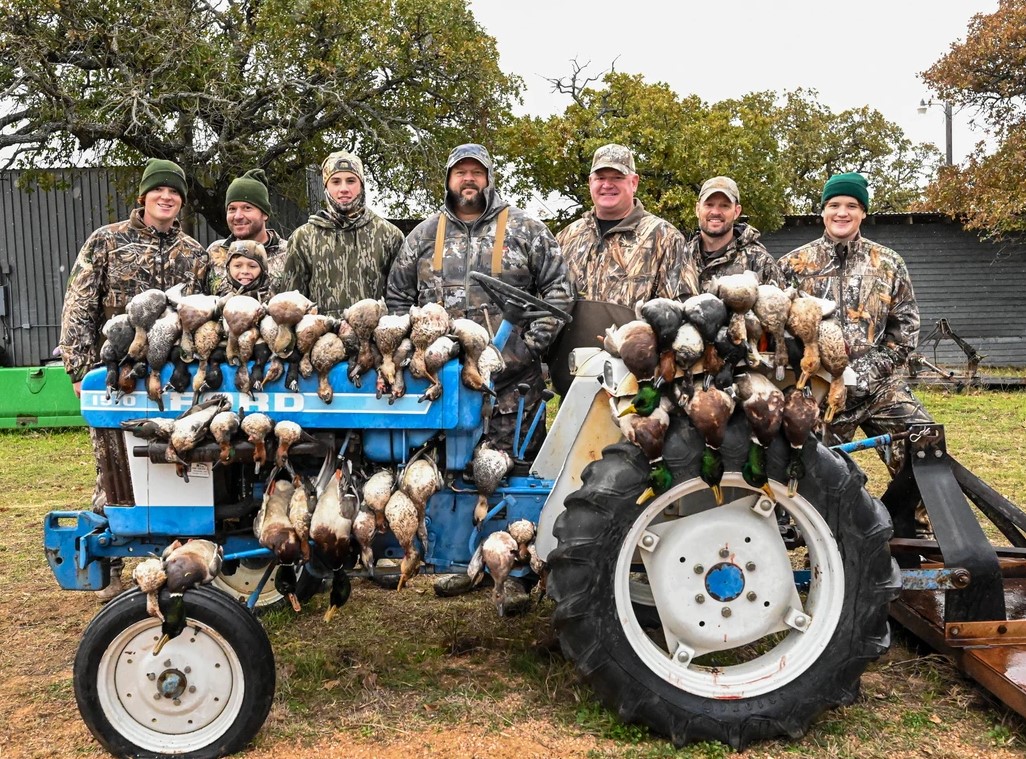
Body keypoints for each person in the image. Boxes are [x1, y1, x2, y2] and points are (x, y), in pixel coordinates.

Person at [385, 142, 573, 606]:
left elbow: (560, 293)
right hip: (443, 389)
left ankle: (515, 581)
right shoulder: (424, 235)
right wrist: (417, 358)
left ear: (489, 178)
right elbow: (395, 299)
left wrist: (525, 349)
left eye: (476, 173)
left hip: (512, 388)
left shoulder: (527, 230)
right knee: (451, 478)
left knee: (513, 483)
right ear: (448, 179)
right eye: (459, 173)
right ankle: (466, 565)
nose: (468, 180)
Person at [59, 157, 208, 601]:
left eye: (175, 192)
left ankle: (173, 556)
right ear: (143, 196)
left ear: (181, 201)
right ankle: (111, 564)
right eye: (159, 190)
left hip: (174, 378)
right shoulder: (106, 241)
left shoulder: (194, 254)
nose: (167, 197)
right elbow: (79, 307)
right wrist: (80, 371)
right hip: (114, 375)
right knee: (114, 467)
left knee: (172, 460)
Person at [778, 172, 933, 531]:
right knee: (810, 467)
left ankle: (917, 529)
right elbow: (779, 332)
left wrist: (864, 374)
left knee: (923, 439)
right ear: (822, 212)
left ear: (863, 212)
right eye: (834, 205)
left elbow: (905, 331)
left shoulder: (888, 264)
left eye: (851, 205)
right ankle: (822, 543)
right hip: (820, 389)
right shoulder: (793, 266)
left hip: (878, 386)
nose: (842, 212)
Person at [556, 143, 699, 305]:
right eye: (600, 178)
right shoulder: (566, 237)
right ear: (590, 183)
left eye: (617, 177)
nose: (607, 185)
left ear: (634, 182)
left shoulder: (666, 238)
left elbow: (681, 310)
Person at [279, 151, 403, 318]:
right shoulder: (303, 238)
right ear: (326, 186)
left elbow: (400, 301)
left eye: (351, 181)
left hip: (375, 340)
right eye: (336, 182)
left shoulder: (389, 235)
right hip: (320, 340)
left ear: (361, 184)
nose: (344, 189)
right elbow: (290, 305)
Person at [686, 175, 783, 290]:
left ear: (737, 211)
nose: (716, 212)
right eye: (709, 204)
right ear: (697, 209)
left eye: (724, 206)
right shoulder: (680, 258)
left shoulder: (760, 263)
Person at [207, 168, 288, 299]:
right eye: (232, 209)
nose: (238, 216)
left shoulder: (289, 253)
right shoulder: (215, 252)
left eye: (247, 208)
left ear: (265, 213)